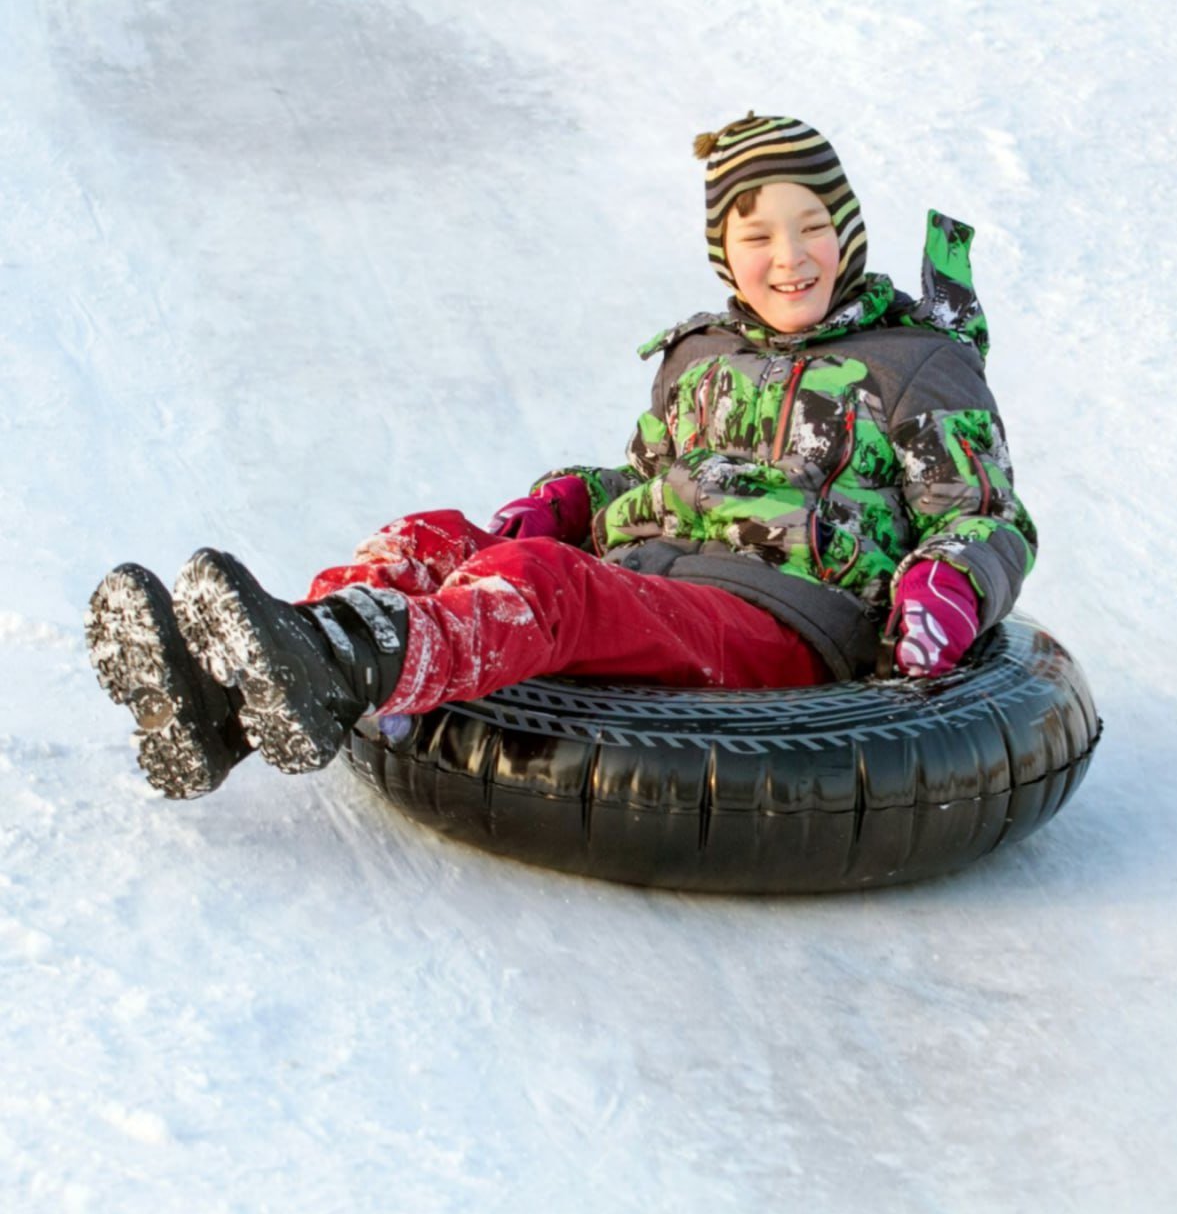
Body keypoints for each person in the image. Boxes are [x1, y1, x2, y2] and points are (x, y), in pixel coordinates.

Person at [86, 112, 1036, 801]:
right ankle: (239, 693)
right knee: (434, 535)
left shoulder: (917, 366)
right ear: (724, 254)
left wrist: (952, 584)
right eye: (758, 237)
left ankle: (341, 659)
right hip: (657, 579)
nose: (790, 258)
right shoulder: (699, 356)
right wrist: (578, 498)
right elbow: (651, 476)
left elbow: (984, 515)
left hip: (782, 617)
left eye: (814, 227)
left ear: (849, 231)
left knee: (541, 582)